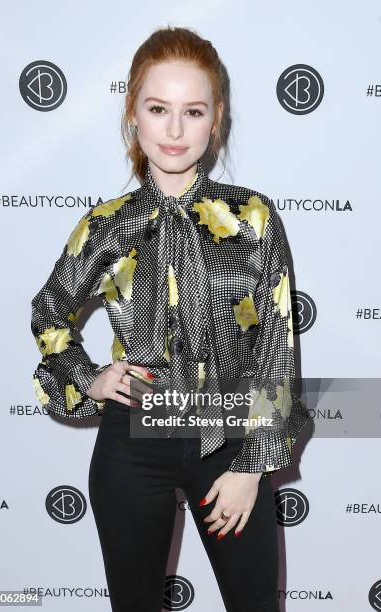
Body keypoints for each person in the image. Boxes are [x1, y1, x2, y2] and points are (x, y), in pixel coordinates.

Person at [30, 25, 309, 612]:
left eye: (193, 111)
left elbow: (276, 350)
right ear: (134, 113)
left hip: (230, 438)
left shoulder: (252, 218)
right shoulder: (105, 225)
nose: (176, 130)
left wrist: (252, 466)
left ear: (217, 119)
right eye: (159, 109)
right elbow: (49, 311)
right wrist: (89, 378)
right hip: (132, 446)